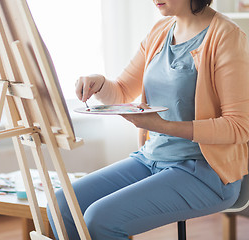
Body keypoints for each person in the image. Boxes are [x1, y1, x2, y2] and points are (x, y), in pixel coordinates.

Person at [47, 0, 249, 239]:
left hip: (205, 172)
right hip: (150, 158)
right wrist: (99, 83)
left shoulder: (227, 37)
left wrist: (163, 126)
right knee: (62, 205)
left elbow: (239, 126)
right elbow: (122, 90)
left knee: (100, 219)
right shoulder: (160, 31)